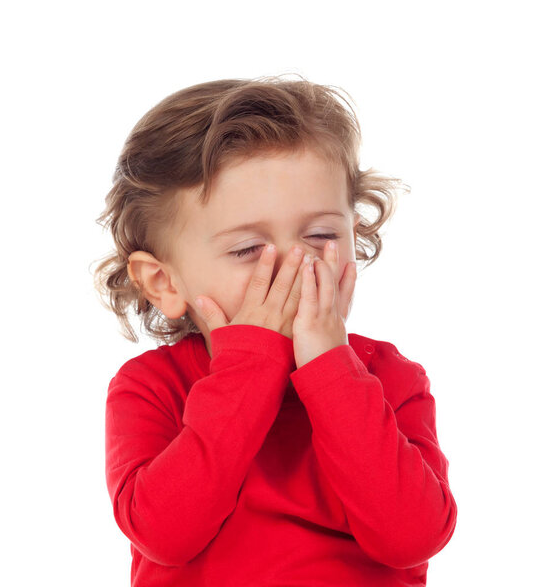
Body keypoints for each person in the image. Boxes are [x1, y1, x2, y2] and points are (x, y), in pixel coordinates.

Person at [93, 74, 457, 587]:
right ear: (163, 282)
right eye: (247, 250)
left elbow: (412, 539)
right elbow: (164, 535)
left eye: (321, 234)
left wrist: (332, 372)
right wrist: (248, 371)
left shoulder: (393, 378)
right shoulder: (150, 387)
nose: (294, 264)